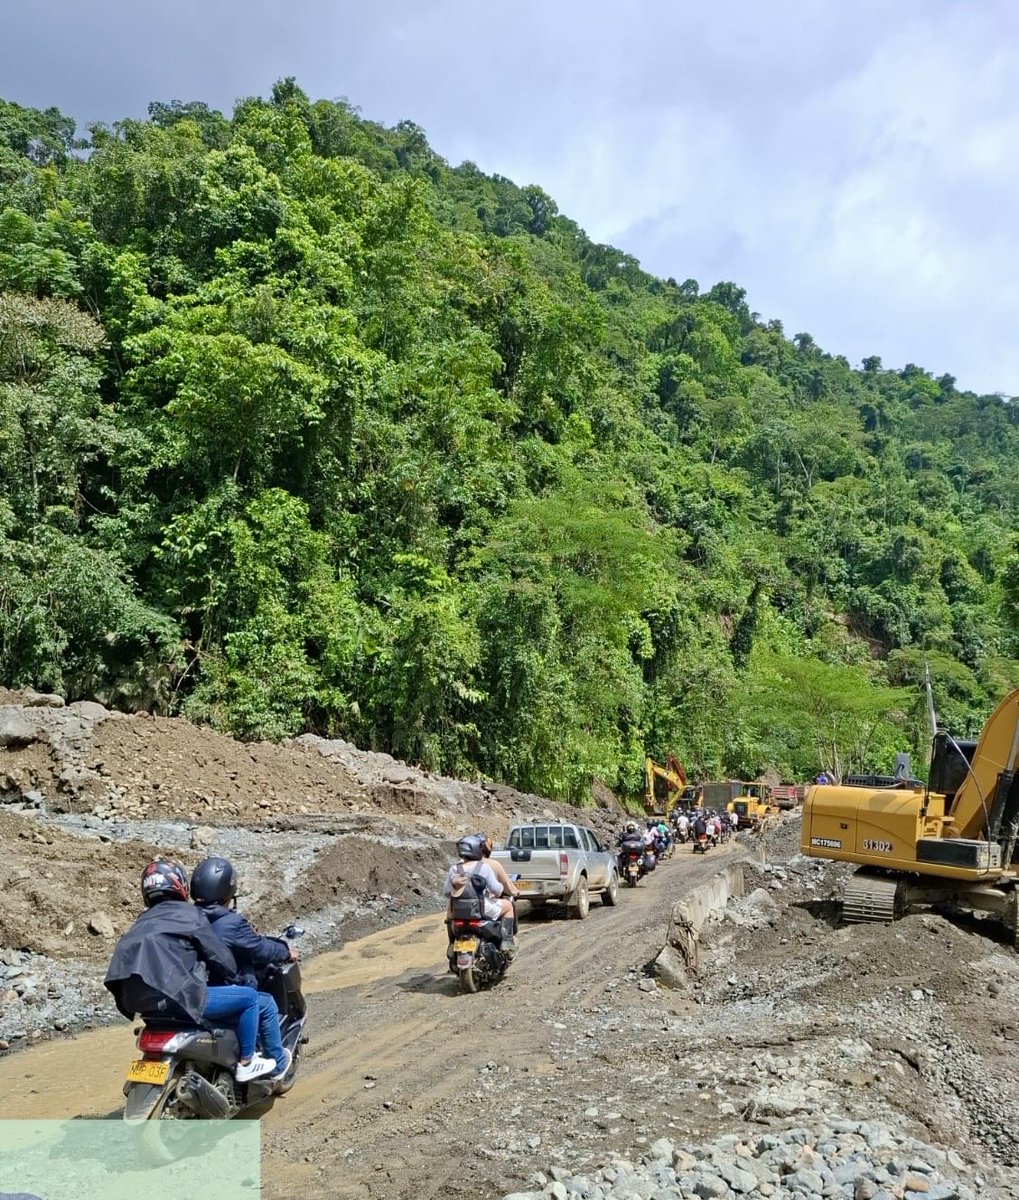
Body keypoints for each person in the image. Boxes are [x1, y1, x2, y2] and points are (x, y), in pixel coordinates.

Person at [104, 859, 276, 1083]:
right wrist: (236, 978)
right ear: (181, 886)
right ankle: (247, 1062)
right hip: (177, 999)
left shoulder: (141, 921)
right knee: (250, 999)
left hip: (136, 1004)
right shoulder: (189, 915)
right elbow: (219, 956)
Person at [191, 856, 294, 1082]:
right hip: (217, 992)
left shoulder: (189, 917)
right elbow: (260, 948)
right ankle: (276, 1064)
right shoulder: (231, 923)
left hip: (192, 987)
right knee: (264, 1002)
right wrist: (286, 952)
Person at [445, 834, 515, 950]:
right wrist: (500, 890)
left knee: (449, 915)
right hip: (480, 909)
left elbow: (447, 892)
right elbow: (496, 889)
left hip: (458, 911)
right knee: (508, 907)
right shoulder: (484, 867)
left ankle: (452, 943)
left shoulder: (454, 869)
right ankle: (507, 942)